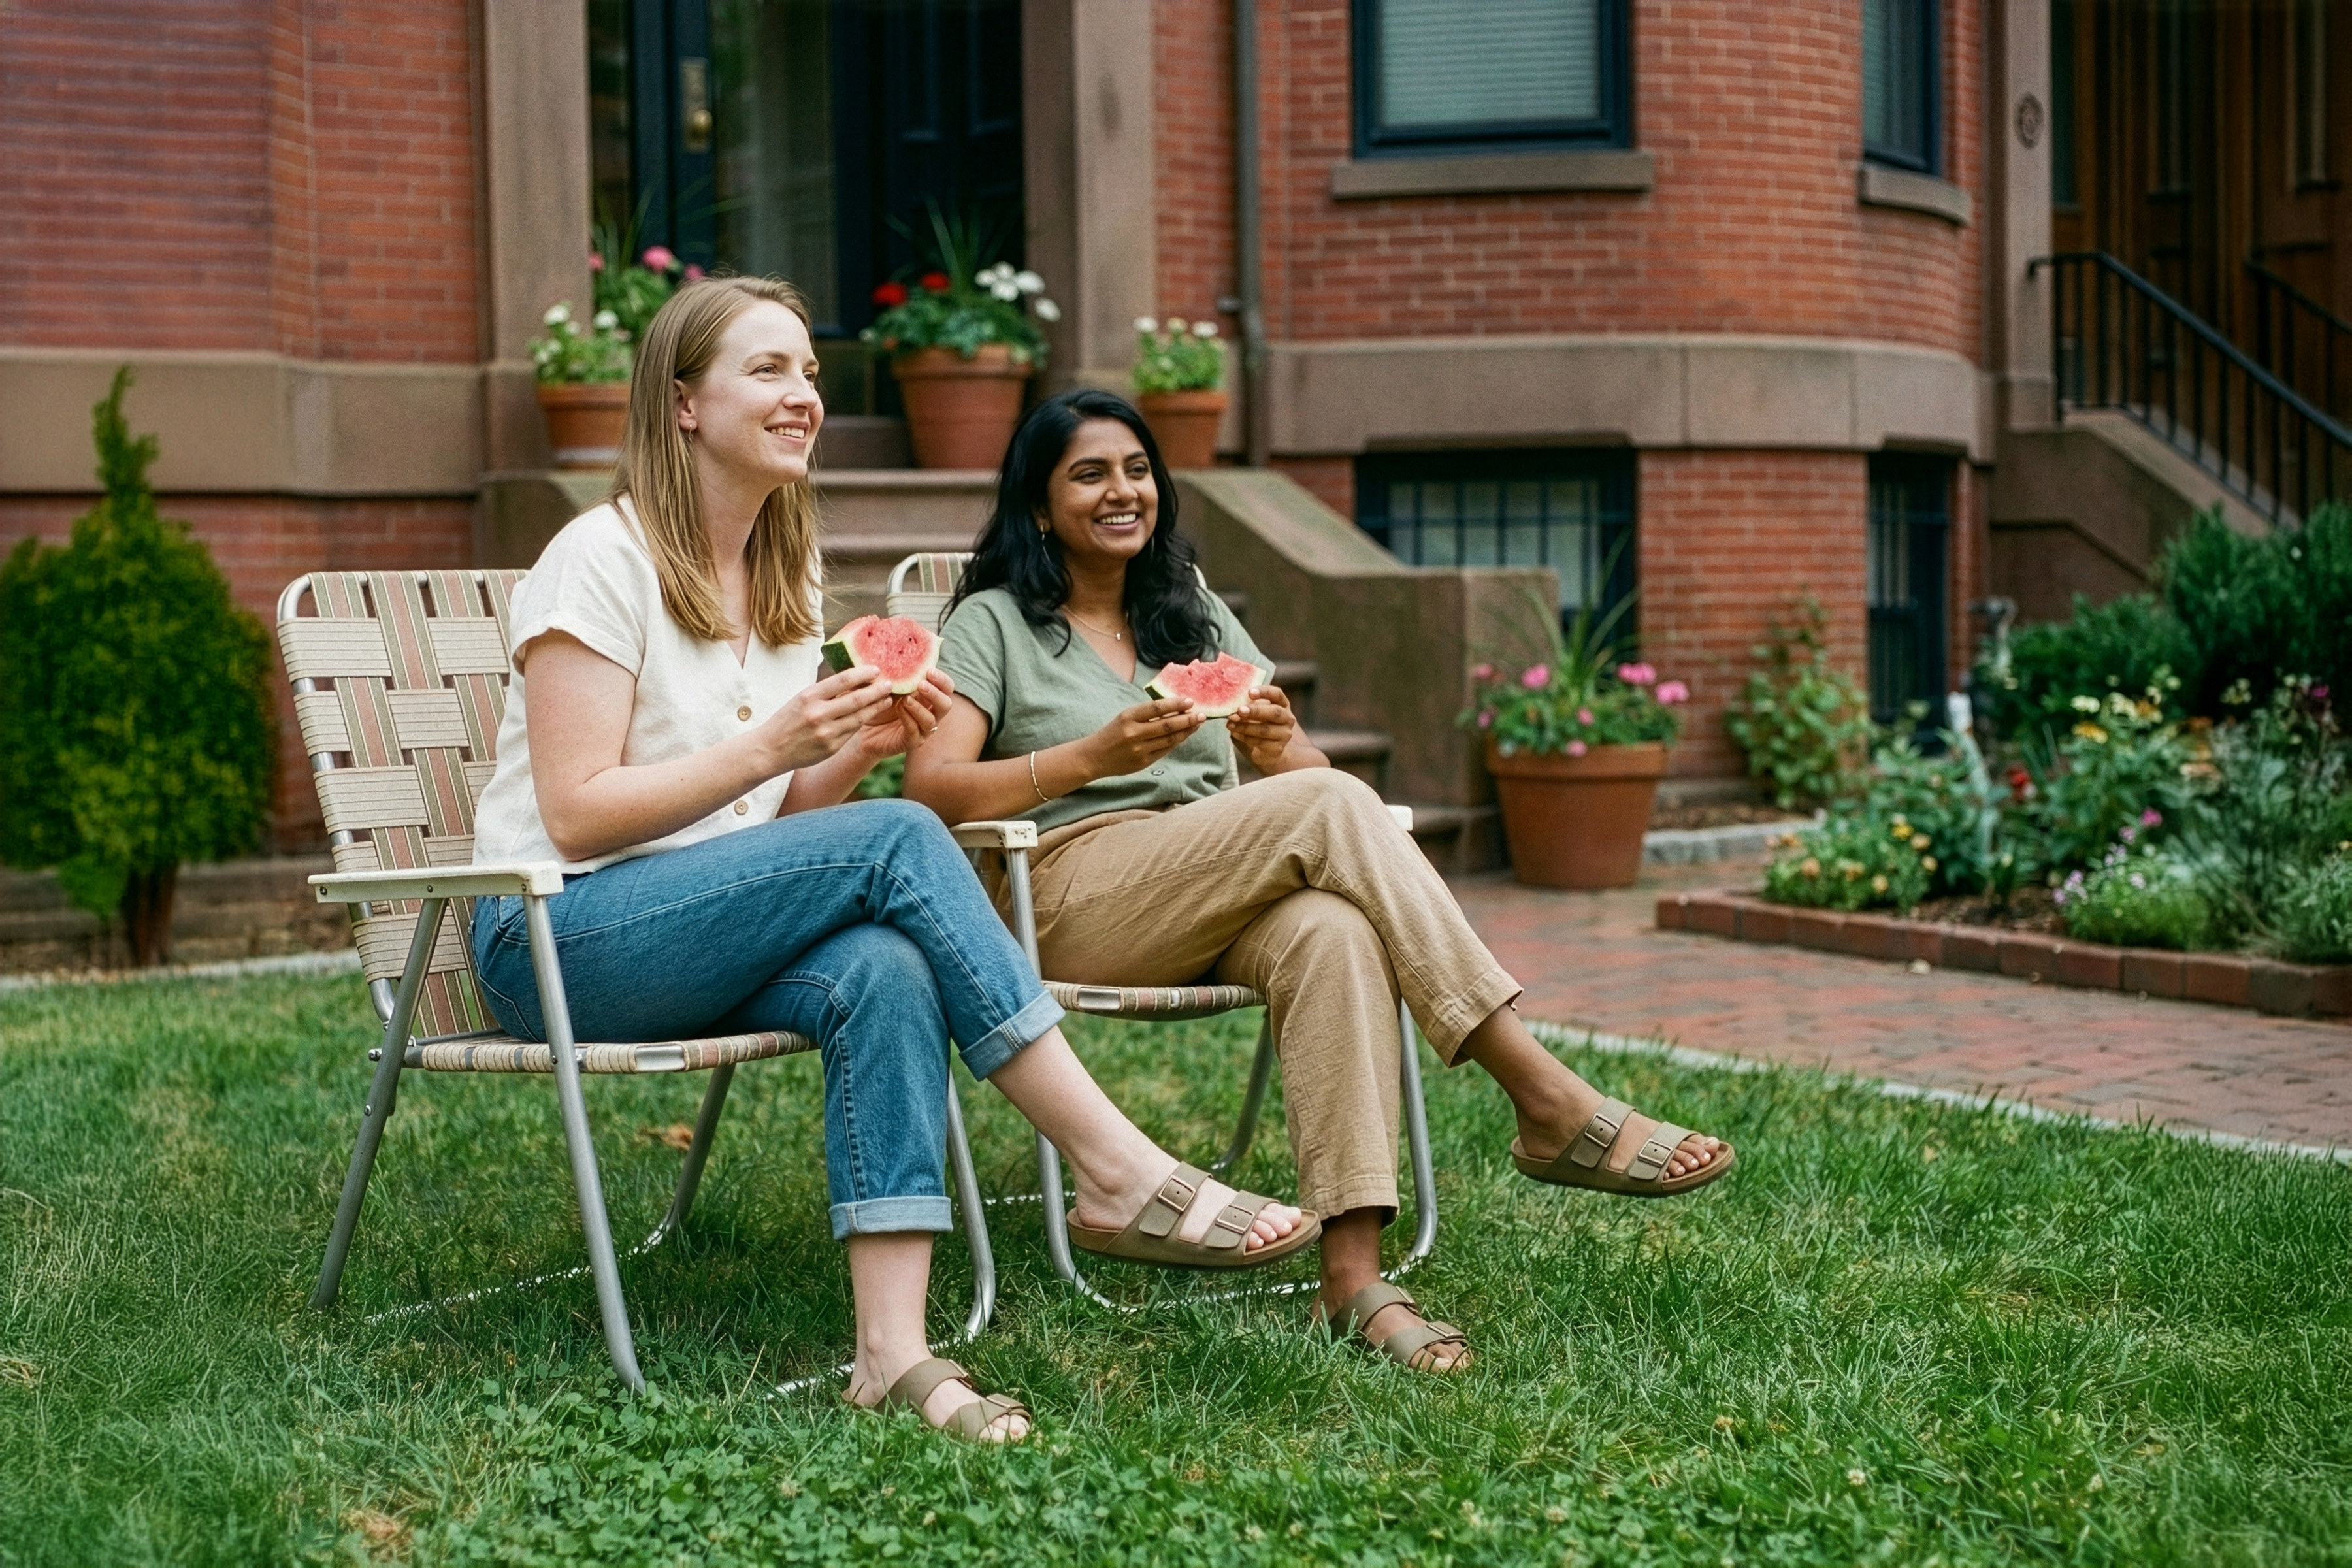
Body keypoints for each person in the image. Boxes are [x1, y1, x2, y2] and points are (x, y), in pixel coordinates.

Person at [467, 282, 1315, 1444]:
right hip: (555, 938)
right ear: (681, 405)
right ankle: (1117, 1168)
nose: (803, 396)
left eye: (811, 373)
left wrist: (852, 744)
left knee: (886, 967)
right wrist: (775, 742)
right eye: (768, 371)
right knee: (908, 837)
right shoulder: (598, 558)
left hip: (703, 924)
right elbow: (571, 815)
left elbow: (774, 815)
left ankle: (891, 1353)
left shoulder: (780, 576)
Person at [902, 389, 1736, 1375]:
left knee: (1335, 929)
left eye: (1137, 470)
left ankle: (1353, 1277)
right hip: (1071, 892)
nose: (1122, 491)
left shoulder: (1191, 609)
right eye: (1090, 474)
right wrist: (1089, 757)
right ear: (1040, 507)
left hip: (1213, 875)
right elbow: (933, 790)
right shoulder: (994, 623)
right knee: (1342, 804)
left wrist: (1273, 741)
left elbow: (1295, 778)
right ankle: (1542, 1094)